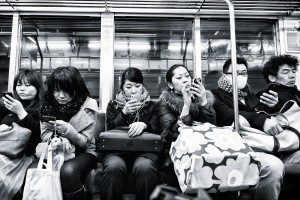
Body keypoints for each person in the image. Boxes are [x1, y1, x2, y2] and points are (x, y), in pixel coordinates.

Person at [212, 57, 284, 200]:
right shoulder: (215, 95)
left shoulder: (253, 96)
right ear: (225, 75)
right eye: (235, 73)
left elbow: (270, 117)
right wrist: (261, 120)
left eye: (244, 73)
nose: (240, 76)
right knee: (273, 166)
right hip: (239, 147)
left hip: (267, 144)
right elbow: (228, 115)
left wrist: (274, 106)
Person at [100, 67, 160, 200]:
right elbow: (108, 128)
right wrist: (123, 113)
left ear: (142, 86)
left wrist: (144, 124)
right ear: (122, 88)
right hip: (116, 150)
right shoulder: (113, 105)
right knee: (113, 167)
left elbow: (157, 127)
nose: (133, 91)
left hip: (144, 151)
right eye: (128, 86)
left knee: (145, 168)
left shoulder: (152, 105)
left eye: (137, 86)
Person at [39, 66, 98, 199]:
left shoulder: (88, 105)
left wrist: (67, 131)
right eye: (56, 90)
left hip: (84, 152)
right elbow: (44, 135)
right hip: (54, 150)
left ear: (76, 88)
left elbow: (85, 142)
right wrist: (59, 139)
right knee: (34, 169)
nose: (61, 96)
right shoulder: (47, 104)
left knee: (68, 171)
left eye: (67, 91)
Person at [158, 64, 215, 185]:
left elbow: (212, 127)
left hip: (204, 148)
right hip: (178, 152)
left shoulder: (199, 97)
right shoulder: (165, 101)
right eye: (179, 78)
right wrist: (186, 106)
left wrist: (204, 101)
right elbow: (171, 134)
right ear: (170, 85)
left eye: (187, 76)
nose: (185, 80)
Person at [0, 69, 44, 200]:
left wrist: (21, 113)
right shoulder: (7, 107)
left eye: (27, 85)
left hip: (21, 157)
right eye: (19, 85)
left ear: (37, 88)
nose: (22, 89)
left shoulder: (43, 108)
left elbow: (41, 135)